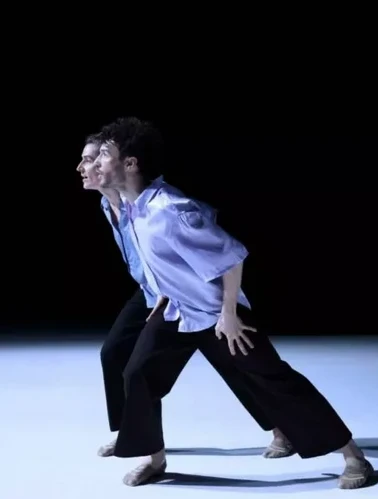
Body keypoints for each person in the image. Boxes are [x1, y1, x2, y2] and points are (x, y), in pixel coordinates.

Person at [92, 117, 374, 490]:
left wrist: (228, 314)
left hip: (217, 314)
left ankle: (353, 456)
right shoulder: (132, 207)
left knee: (273, 379)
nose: (95, 163)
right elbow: (158, 259)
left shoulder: (170, 208)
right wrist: (163, 294)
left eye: (104, 155)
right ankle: (154, 459)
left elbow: (232, 257)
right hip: (176, 311)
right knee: (137, 373)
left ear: (131, 163)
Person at [76, 134, 293, 461]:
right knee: (114, 353)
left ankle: (281, 429)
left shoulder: (147, 201)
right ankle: (131, 434)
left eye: (91, 159)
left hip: (184, 291)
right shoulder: (108, 205)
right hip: (150, 291)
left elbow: (202, 223)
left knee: (231, 361)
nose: (83, 166)